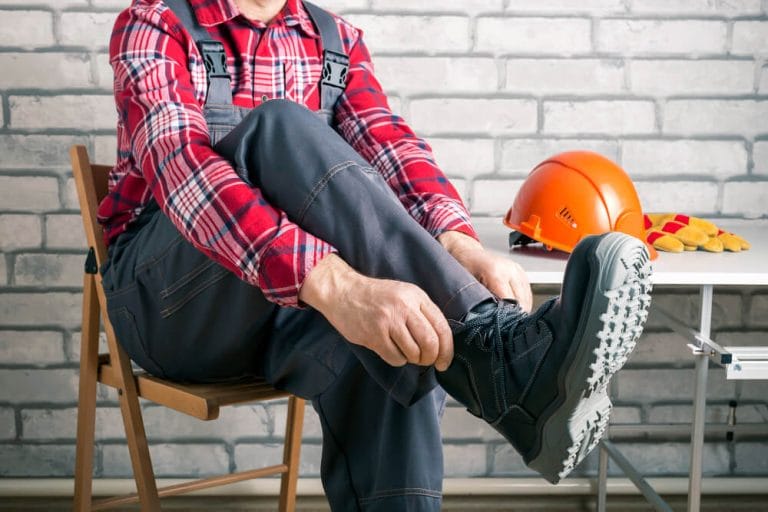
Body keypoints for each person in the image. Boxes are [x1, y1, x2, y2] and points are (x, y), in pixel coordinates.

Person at [99, 0, 652, 509]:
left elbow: (389, 145)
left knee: (404, 336)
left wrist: (458, 245)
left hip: (283, 312)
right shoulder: (157, 24)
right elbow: (183, 177)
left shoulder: (332, 39)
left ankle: (500, 365)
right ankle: (506, 359)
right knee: (279, 127)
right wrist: (340, 287)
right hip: (169, 305)